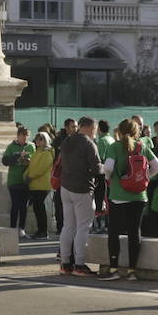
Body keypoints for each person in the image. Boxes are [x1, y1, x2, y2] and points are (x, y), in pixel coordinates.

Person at [99, 118, 158, 280]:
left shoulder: (114, 147)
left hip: (118, 196)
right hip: (140, 196)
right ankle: (133, 271)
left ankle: (114, 269)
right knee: (134, 232)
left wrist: (110, 178)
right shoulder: (142, 146)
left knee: (114, 232)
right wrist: (144, 179)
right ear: (136, 132)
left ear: (119, 130)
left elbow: (109, 169)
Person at [58, 117, 101, 276]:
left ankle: (65, 263)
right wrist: (106, 168)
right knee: (83, 227)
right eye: (95, 130)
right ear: (91, 128)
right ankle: (80, 264)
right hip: (82, 188)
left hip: (65, 187)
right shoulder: (89, 143)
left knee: (68, 226)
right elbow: (96, 169)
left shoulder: (67, 141)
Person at [2, 125, 35, 236]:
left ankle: (22, 228)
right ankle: (12, 228)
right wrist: (17, 156)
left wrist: (29, 160)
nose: (25, 138)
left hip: (26, 180)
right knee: (15, 204)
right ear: (18, 135)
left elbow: (35, 161)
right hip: (14, 180)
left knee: (23, 206)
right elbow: (5, 161)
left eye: (26, 135)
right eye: (22, 135)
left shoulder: (31, 146)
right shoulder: (11, 147)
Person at [25, 131, 54, 239]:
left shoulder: (47, 152)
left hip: (42, 184)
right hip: (35, 184)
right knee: (37, 208)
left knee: (40, 207)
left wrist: (30, 176)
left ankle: (43, 231)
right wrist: (26, 174)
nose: (38, 141)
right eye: (37, 139)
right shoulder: (38, 151)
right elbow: (32, 165)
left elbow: (41, 168)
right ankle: (40, 230)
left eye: (41, 139)